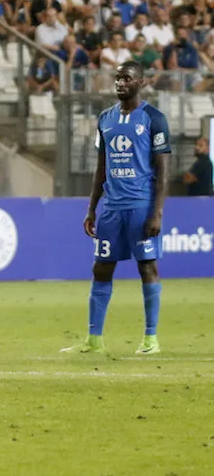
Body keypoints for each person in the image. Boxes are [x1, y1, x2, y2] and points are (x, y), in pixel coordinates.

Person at [62, 61, 170, 356]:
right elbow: (101, 168)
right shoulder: (105, 119)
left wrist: (157, 212)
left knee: (147, 267)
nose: (120, 83)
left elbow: (162, 171)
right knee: (101, 268)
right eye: (118, 78)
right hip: (111, 208)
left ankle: (151, 338)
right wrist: (92, 208)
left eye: (127, 78)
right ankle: (94, 339)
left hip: (140, 206)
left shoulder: (154, 119)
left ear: (141, 82)